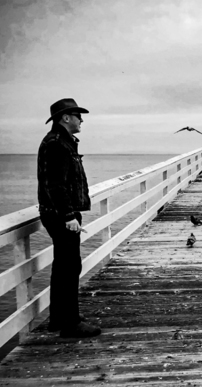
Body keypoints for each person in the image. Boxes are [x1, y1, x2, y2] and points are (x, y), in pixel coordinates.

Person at [37, 98, 101, 338]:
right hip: (61, 215)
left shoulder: (62, 142)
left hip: (60, 214)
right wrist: (68, 215)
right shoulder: (57, 144)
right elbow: (55, 185)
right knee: (69, 266)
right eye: (77, 115)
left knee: (64, 266)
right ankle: (70, 324)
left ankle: (60, 317)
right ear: (65, 118)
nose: (81, 119)